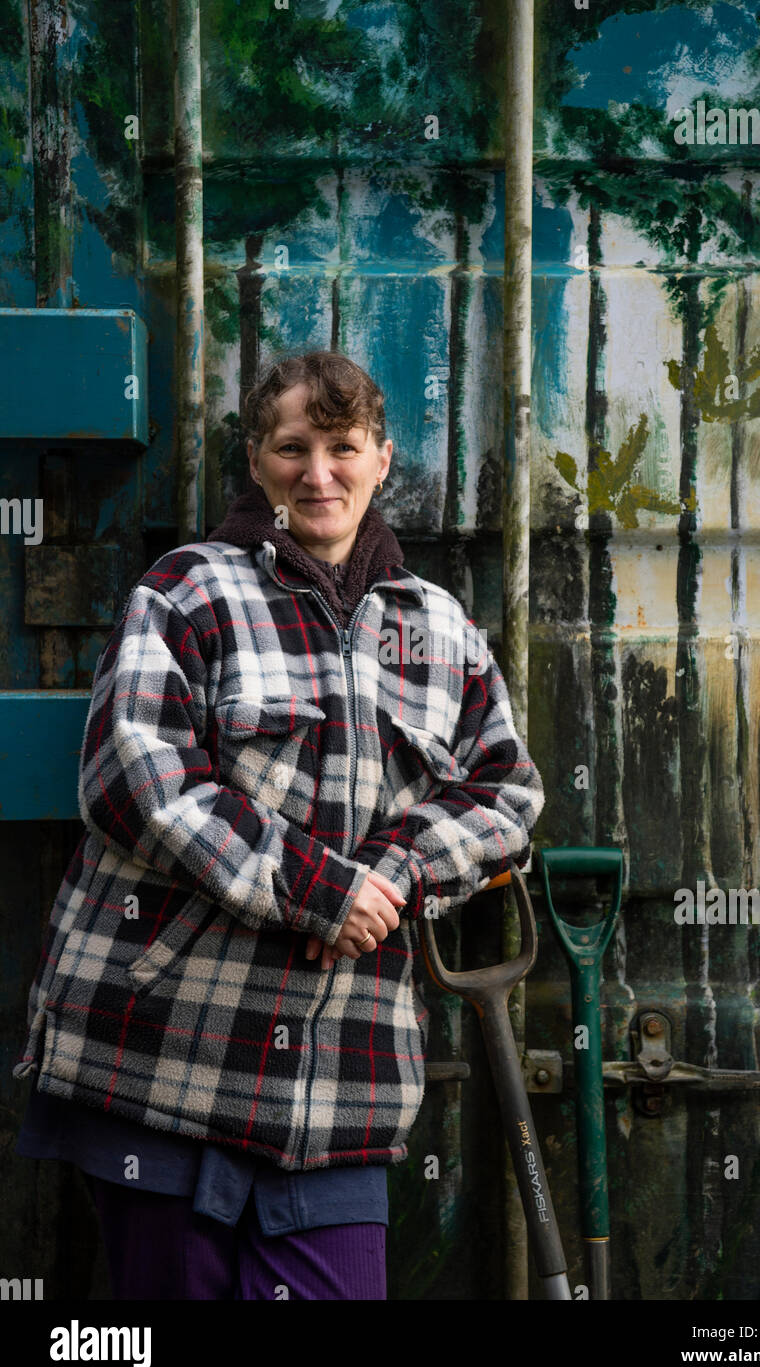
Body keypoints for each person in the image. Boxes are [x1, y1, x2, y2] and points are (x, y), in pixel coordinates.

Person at [13, 349, 545, 1300]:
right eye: (293, 447)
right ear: (256, 460)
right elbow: (135, 779)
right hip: (170, 1062)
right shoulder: (186, 592)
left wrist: (393, 870)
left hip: (347, 1085)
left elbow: (506, 793)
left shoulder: (439, 629)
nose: (318, 472)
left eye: (343, 447)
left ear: (383, 459)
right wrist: (319, 890)